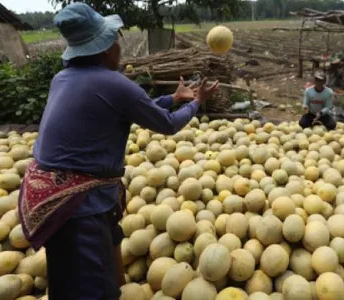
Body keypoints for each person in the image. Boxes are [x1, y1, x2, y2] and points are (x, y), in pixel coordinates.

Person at [17, 3, 218, 300]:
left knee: (68, 272)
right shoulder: (113, 83)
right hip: (75, 202)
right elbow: (169, 125)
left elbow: (129, 110)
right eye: (114, 39)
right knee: (91, 288)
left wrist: (174, 97)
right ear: (104, 49)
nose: (118, 46)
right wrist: (195, 103)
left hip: (46, 194)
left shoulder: (63, 79)